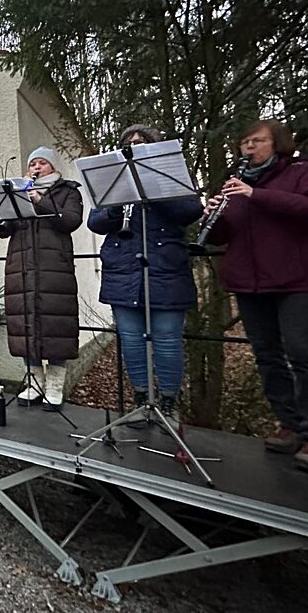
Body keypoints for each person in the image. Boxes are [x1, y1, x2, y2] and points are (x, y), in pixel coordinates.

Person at [204, 119, 308, 475]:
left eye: (257, 141)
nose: (248, 148)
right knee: (267, 356)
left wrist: (256, 195)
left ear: (277, 143)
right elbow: (223, 236)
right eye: (244, 142)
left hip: (299, 279)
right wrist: (213, 216)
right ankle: (290, 424)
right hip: (251, 282)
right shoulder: (235, 186)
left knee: (303, 352)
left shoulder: (303, 171)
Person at [87, 125, 203, 426]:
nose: (135, 146)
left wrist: (152, 189)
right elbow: (95, 221)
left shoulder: (168, 175)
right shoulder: (113, 181)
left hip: (165, 268)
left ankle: (167, 402)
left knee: (167, 340)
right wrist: (115, 209)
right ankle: (141, 399)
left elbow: (192, 210)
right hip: (123, 269)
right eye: (129, 143)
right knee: (130, 340)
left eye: (142, 142)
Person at [0, 147, 83, 411]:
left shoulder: (68, 191)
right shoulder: (20, 191)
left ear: (53, 167)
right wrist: (5, 212)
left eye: (42, 163)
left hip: (54, 268)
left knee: (57, 324)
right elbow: (3, 231)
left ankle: (55, 387)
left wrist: (39, 200)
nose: (36, 168)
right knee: (25, 324)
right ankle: (33, 382)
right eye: (33, 163)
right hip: (21, 267)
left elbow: (70, 221)